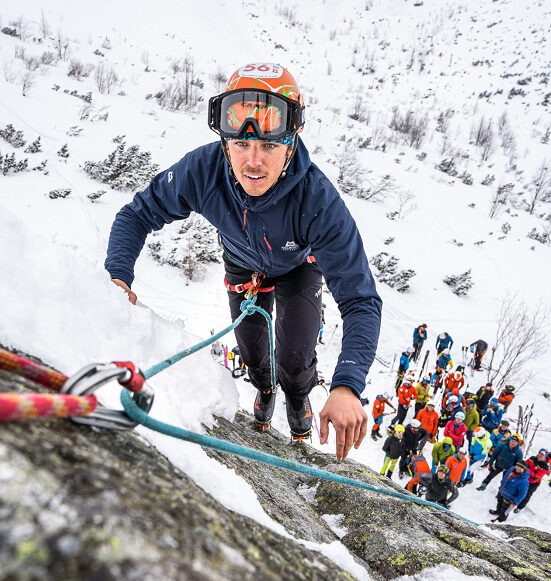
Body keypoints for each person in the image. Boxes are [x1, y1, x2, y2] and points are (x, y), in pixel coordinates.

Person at [105, 63, 382, 457]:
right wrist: (118, 276)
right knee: (251, 350)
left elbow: (360, 301)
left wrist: (346, 385)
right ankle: (265, 390)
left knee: (294, 356)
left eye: (268, 145)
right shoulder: (203, 171)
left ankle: (297, 396)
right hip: (241, 263)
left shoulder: (317, 201)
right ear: (225, 142)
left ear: (291, 140)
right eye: (241, 145)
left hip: (297, 269)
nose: (253, 162)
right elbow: (136, 215)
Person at [515, 448, 550, 512]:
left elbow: (535, 476)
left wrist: (527, 470)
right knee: (517, 488)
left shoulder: (545, 467)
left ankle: (520, 507)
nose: (540, 455)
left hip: (533, 483)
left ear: (545, 456)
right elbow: (524, 465)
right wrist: (529, 470)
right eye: (539, 453)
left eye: (542, 454)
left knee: (527, 494)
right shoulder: (532, 458)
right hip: (524, 478)